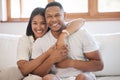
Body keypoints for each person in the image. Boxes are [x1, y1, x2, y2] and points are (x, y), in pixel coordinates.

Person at [32, 1, 104, 80]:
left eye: (57, 15)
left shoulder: (81, 33)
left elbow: (99, 65)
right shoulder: (40, 42)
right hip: (57, 78)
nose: (53, 19)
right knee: (48, 78)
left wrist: (70, 63)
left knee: (83, 77)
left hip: (81, 76)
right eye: (49, 16)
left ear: (64, 15)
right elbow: (36, 73)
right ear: (45, 18)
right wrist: (52, 59)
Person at [17, 7, 85, 80]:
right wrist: (48, 53)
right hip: (38, 74)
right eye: (35, 23)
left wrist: (63, 35)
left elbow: (81, 21)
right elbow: (24, 70)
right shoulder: (25, 40)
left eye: (43, 23)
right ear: (30, 24)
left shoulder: (54, 32)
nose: (38, 27)